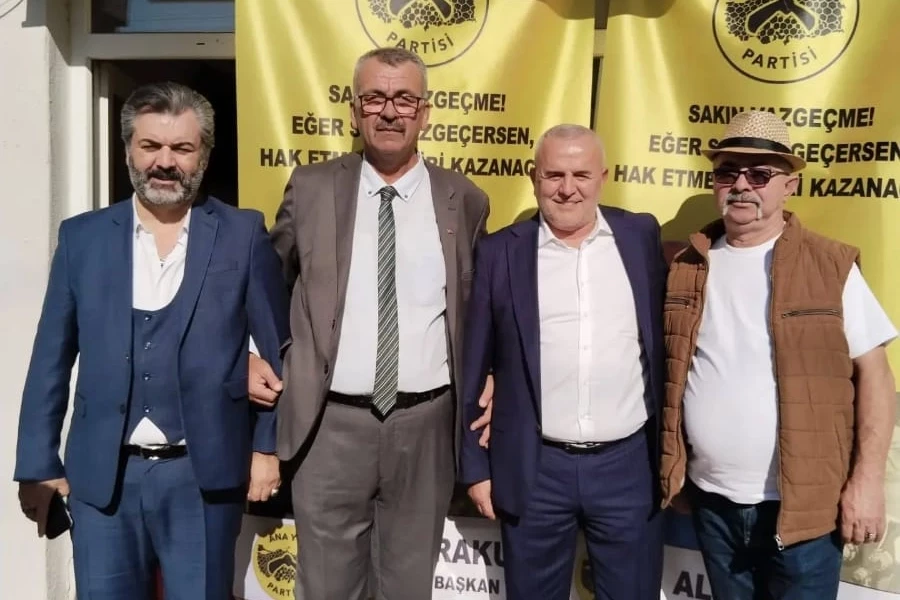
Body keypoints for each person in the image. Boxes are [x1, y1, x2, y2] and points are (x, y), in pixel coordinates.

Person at [14, 81, 291, 599]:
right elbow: (50, 359)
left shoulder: (241, 234)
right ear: (128, 151)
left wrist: (266, 449)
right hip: (103, 480)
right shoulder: (82, 238)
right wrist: (37, 463)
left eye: (182, 148)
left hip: (203, 477)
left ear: (204, 155)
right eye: (151, 146)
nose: (165, 162)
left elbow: (277, 351)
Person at [260, 47, 490, 600]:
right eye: (375, 98)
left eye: (405, 99)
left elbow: (483, 308)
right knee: (327, 587)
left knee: (408, 587)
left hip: (426, 426)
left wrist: (494, 373)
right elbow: (267, 287)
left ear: (425, 113)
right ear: (354, 109)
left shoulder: (464, 199)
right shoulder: (311, 188)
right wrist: (252, 353)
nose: (390, 111)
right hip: (328, 427)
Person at [660, 110, 897, 599]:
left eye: (759, 174)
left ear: (789, 186)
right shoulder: (688, 266)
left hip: (803, 511)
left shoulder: (829, 264)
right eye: (727, 172)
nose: (741, 185)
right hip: (711, 502)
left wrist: (868, 481)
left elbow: (875, 375)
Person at [459, 124, 666, 600]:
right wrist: (475, 467)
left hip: (628, 466)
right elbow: (475, 366)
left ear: (603, 178)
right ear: (534, 178)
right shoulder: (500, 252)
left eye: (581, 175)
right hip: (536, 468)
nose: (567, 188)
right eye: (554, 175)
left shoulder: (639, 236)